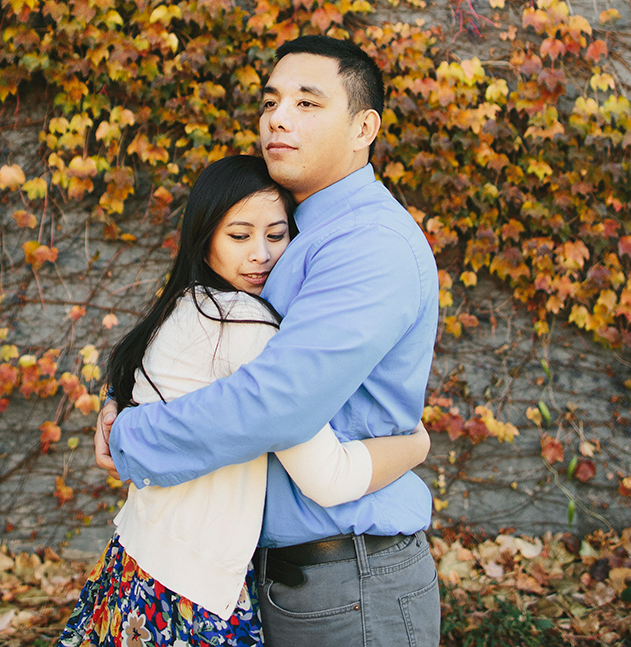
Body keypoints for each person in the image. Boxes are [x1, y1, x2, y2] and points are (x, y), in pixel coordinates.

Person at [97, 35, 442, 647]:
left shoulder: (368, 244)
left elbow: (277, 402)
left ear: (365, 128)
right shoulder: (288, 229)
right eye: (271, 101)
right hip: (273, 578)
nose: (277, 117)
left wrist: (134, 436)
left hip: (346, 582)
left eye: (308, 103)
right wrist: (130, 399)